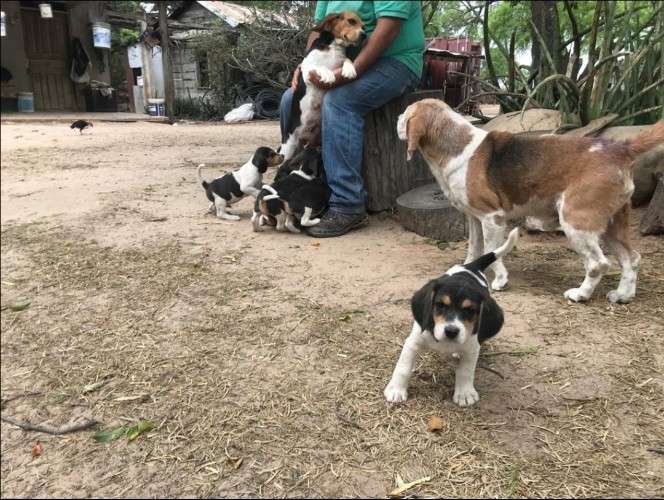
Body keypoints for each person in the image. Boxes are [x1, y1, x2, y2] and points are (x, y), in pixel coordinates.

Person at [279, 1, 425, 238]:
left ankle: (347, 205)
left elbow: (388, 29)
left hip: (395, 62)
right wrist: (306, 63)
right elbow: (318, 31)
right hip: (341, 61)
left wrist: (345, 75)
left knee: (339, 101)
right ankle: (299, 186)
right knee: (289, 99)